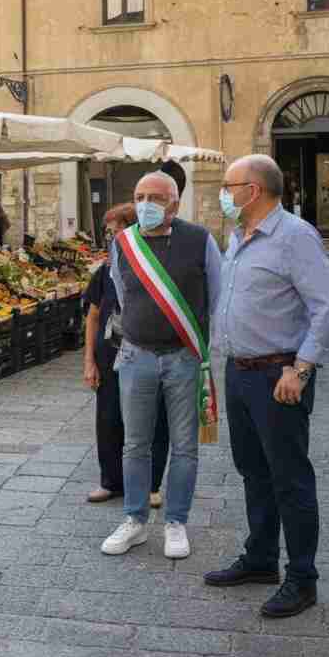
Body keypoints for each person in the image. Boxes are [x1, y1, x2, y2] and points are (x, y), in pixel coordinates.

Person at [205, 154, 329, 620]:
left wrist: (301, 368)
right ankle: (262, 558)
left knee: (289, 477)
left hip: (279, 375)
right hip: (240, 372)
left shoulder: (294, 237)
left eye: (229, 186)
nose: (222, 194)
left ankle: (302, 578)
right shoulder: (239, 237)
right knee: (253, 470)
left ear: (255, 190)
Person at [102, 171, 223, 560]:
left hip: (184, 357)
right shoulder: (123, 242)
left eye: (155, 197)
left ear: (174, 202)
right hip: (137, 356)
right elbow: (123, 294)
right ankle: (135, 520)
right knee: (134, 444)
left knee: (185, 445)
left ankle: (175, 522)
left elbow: (218, 295)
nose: (145, 204)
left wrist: (205, 347)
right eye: (139, 196)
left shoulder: (200, 239)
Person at [82, 203, 170, 507]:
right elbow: (93, 315)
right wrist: (89, 361)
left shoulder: (154, 265)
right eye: (109, 232)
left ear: (132, 229)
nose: (111, 236)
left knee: (153, 419)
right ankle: (111, 481)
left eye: (115, 230)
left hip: (148, 352)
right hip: (111, 354)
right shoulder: (106, 269)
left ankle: (151, 485)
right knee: (108, 418)